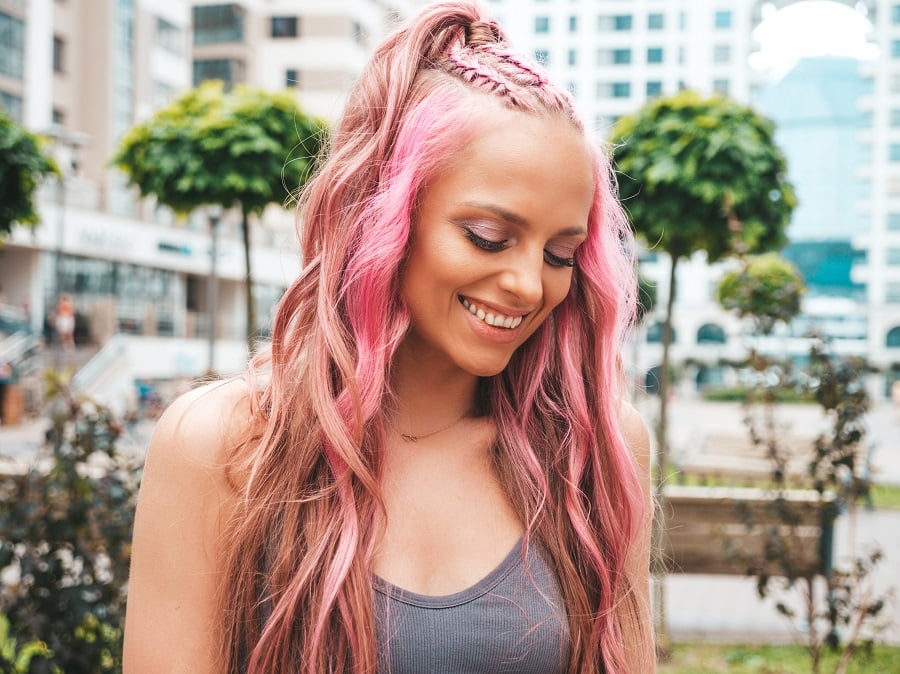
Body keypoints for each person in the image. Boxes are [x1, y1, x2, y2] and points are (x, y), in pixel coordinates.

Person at [122, 1, 655, 672]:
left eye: (559, 254)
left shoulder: (593, 448)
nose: (528, 284)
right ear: (384, 217)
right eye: (489, 237)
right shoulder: (224, 447)